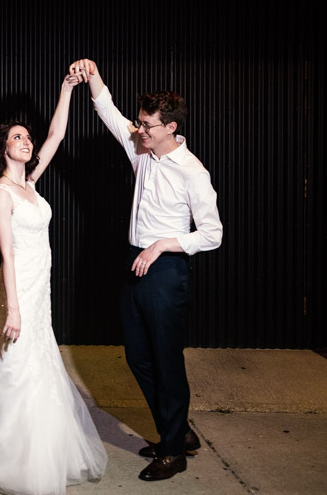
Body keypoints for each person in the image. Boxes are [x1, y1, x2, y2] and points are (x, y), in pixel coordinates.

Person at [69, 59, 222, 484]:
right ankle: (178, 431)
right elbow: (109, 112)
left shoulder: (193, 172)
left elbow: (213, 234)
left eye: (148, 125)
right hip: (136, 265)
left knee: (167, 361)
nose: (139, 130)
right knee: (138, 357)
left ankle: (173, 450)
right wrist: (93, 75)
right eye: (140, 123)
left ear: (171, 127)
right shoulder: (142, 151)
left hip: (168, 270)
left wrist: (163, 245)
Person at [0, 73, 107, 495]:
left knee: (41, 363)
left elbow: (56, 134)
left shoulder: (30, 183)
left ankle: (40, 451)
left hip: (38, 290)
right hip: (15, 289)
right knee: (19, 365)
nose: (26, 141)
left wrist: (67, 89)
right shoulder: (2, 193)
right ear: (2, 148)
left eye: (27, 136)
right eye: (17, 137)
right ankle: (8, 459)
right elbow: (7, 255)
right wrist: (14, 308)